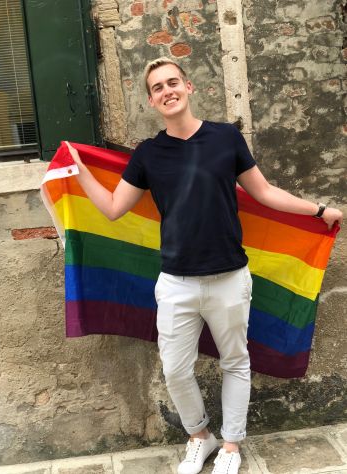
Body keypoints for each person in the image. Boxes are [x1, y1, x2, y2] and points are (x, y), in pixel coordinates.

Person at [65, 57, 343, 474]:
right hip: (176, 281)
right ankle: (200, 437)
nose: (167, 91)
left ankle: (230, 445)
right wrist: (80, 171)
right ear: (151, 100)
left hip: (230, 276)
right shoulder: (148, 154)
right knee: (175, 369)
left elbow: (263, 192)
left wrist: (318, 209)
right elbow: (111, 209)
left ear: (189, 87)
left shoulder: (226, 138)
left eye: (172, 82)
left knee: (235, 360)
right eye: (158, 87)